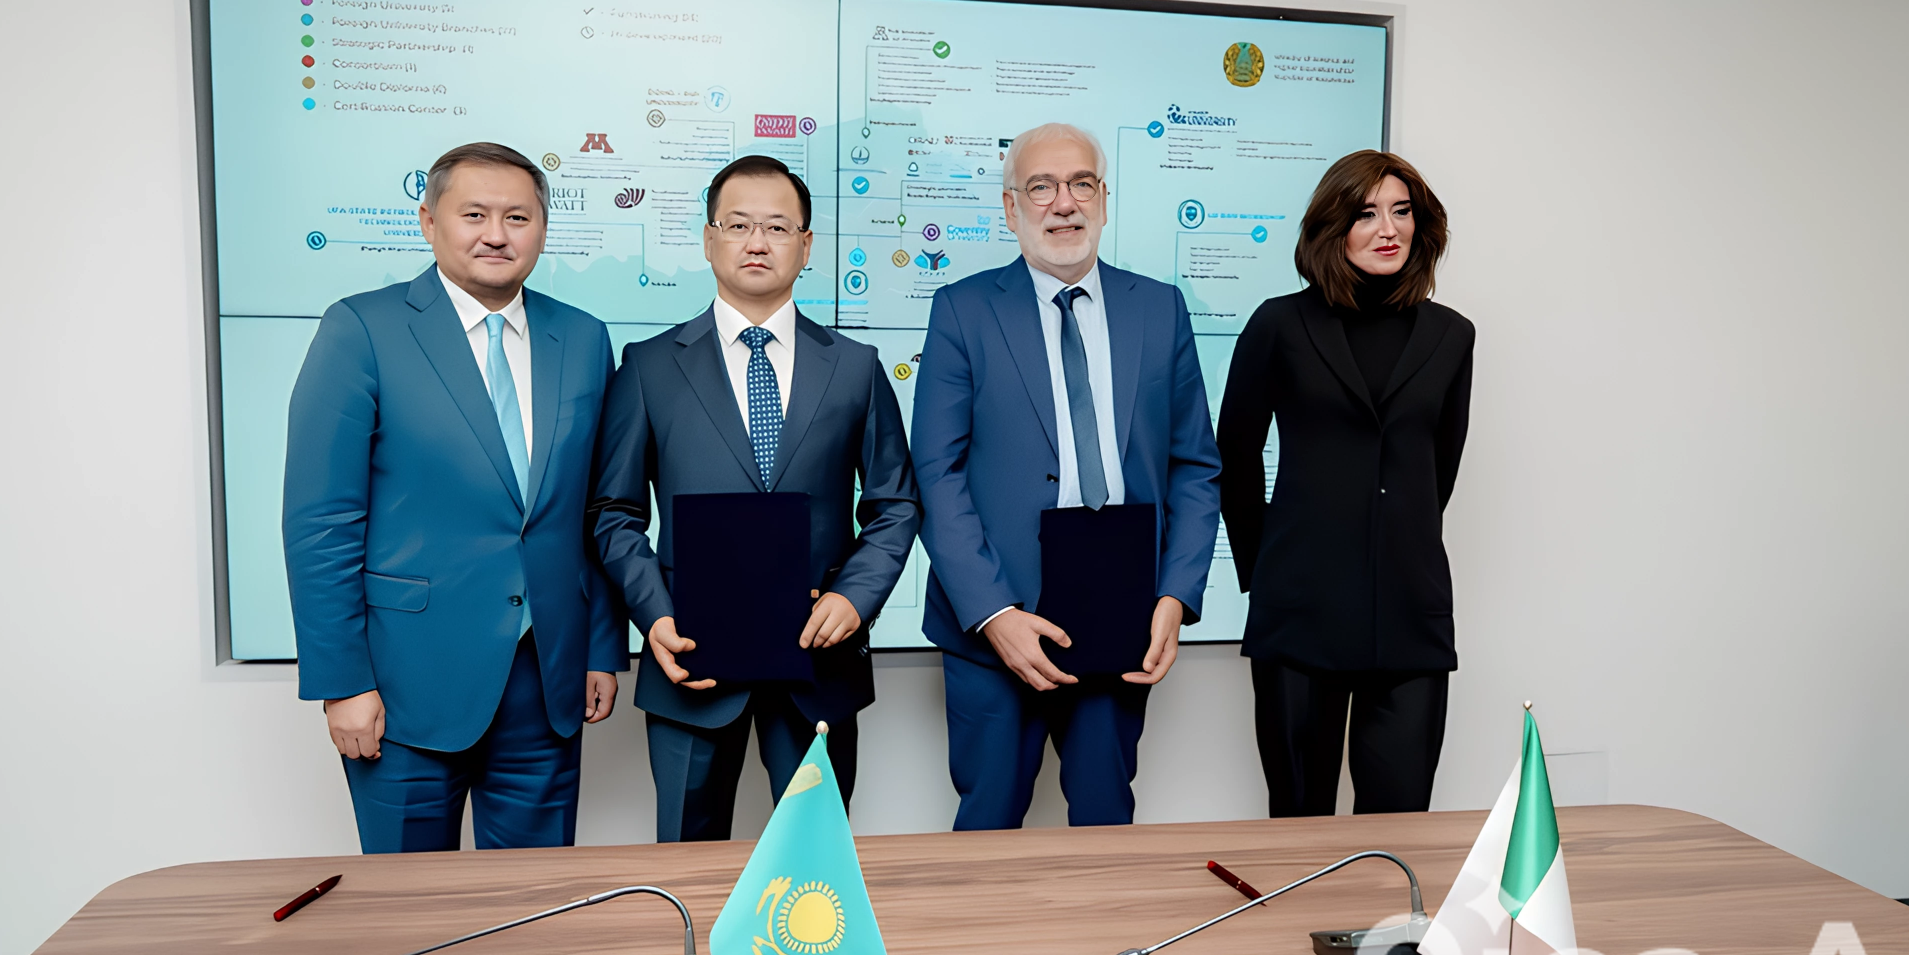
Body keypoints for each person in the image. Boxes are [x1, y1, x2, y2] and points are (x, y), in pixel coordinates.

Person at [283, 142, 626, 852]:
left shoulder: (583, 337)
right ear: (429, 222)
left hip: (547, 680)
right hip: (405, 685)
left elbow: (593, 509)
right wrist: (342, 682)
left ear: (542, 228)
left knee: (535, 900)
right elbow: (321, 522)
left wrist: (601, 647)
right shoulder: (362, 329)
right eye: (474, 214)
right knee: (411, 903)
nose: (496, 234)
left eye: (517, 217)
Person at [591, 155, 919, 843]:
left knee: (814, 863)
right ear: (709, 240)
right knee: (687, 856)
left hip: (818, 659)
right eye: (738, 225)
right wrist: (654, 615)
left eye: (777, 226)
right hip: (690, 656)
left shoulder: (856, 367)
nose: (757, 242)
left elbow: (894, 505)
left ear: (806, 244)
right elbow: (615, 513)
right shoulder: (649, 366)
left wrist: (854, 598)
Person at [913, 122, 1222, 831]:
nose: (1064, 203)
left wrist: (1175, 596)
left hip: (1122, 611)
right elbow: (936, 472)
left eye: (1081, 184)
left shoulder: (1160, 308)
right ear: (1010, 207)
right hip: (994, 621)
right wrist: (994, 614)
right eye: (1041, 187)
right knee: (988, 826)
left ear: (1103, 199)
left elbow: (1196, 468)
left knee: (1106, 823)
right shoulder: (962, 309)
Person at [1216, 149, 1473, 817]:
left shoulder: (1452, 336)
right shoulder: (1279, 324)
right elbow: (1235, 456)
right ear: (1334, 227)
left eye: (1401, 211)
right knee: (1298, 824)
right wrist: (1265, 570)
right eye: (1366, 214)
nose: (1388, 229)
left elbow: (1437, 472)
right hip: (1300, 611)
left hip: (1410, 616)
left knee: (1399, 830)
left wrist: (1396, 542)